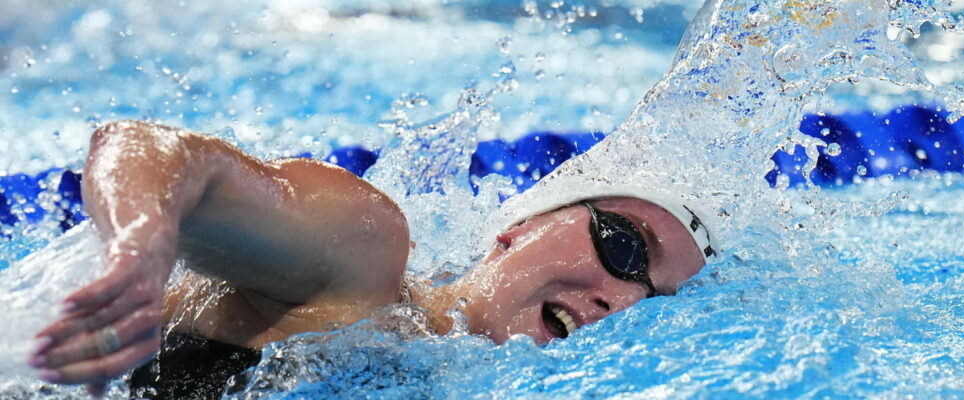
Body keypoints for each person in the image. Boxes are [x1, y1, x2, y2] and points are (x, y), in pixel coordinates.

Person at [25, 120, 716, 398]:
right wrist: (143, 245)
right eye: (625, 247)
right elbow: (150, 147)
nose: (621, 301)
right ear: (519, 228)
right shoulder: (361, 261)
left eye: (653, 298)